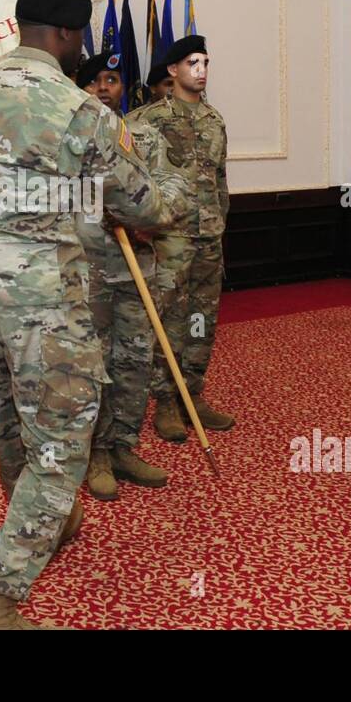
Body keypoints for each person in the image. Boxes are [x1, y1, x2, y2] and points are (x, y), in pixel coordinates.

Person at [0, 0, 186, 629]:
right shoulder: (81, 112)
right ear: (70, 37)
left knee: (12, 424)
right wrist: (174, 197)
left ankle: (52, 520)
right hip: (44, 303)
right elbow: (143, 208)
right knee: (59, 450)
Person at [75, 52, 188, 499]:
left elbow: (175, 185)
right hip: (88, 269)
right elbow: (53, 195)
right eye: (94, 81)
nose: (104, 88)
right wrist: (105, 205)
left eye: (113, 80)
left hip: (138, 263)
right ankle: (96, 452)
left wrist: (152, 216)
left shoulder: (143, 133)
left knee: (135, 361)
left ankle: (124, 445)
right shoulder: (70, 136)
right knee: (94, 364)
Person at [128, 35, 235, 441]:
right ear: (172, 71)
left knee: (200, 321)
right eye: (193, 62)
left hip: (209, 236)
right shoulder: (146, 121)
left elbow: (220, 180)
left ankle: (193, 392)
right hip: (169, 239)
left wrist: (221, 223)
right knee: (169, 321)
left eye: (206, 62)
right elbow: (133, 183)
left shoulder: (214, 120)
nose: (202, 70)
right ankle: (167, 401)